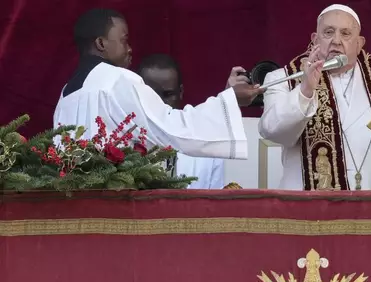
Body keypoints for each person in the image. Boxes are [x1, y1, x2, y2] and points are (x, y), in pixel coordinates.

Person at [258, 4, 371, 191]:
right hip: (309, 212)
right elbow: (273, 132)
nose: (336, 40)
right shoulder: (284, 79)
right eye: (328, 32)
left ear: (359, 43)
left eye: (346, 33)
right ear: (315, 39)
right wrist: (305, 91)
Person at [54, 8, 262, 159]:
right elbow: (170, 129)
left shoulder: (66, 94)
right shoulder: (117, 79)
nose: (130, 49)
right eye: (124, 40)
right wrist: (230, 99)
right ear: (101, 43)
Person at [138, 54, 225, 189]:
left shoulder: (208, 142)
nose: (161, 103)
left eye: (168, 95)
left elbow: (214, 203)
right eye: (152, 95)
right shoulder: (123, 140)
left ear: (181, 92)